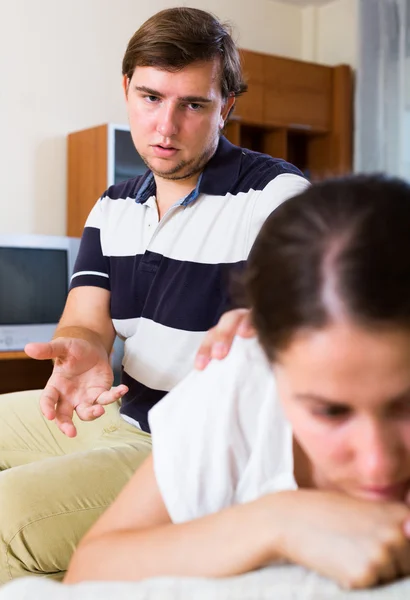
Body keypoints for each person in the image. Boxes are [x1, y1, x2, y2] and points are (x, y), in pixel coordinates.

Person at [0, 7, 308, 584]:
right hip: (120, 415)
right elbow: (87, 322)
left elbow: (300, 317)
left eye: (192, 104)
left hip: (192, 453)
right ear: (126, 89)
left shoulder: (276, 198)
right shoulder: (113, 204)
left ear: (227, 106)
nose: (165, 127)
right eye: (150, 98)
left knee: (8, 511)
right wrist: (83, 350)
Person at [65, 175, 410, 591]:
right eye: (330, 411)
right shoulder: (241, 376)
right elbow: (89, 572)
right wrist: (276, 521)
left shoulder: (266, 187)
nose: (378, 463)